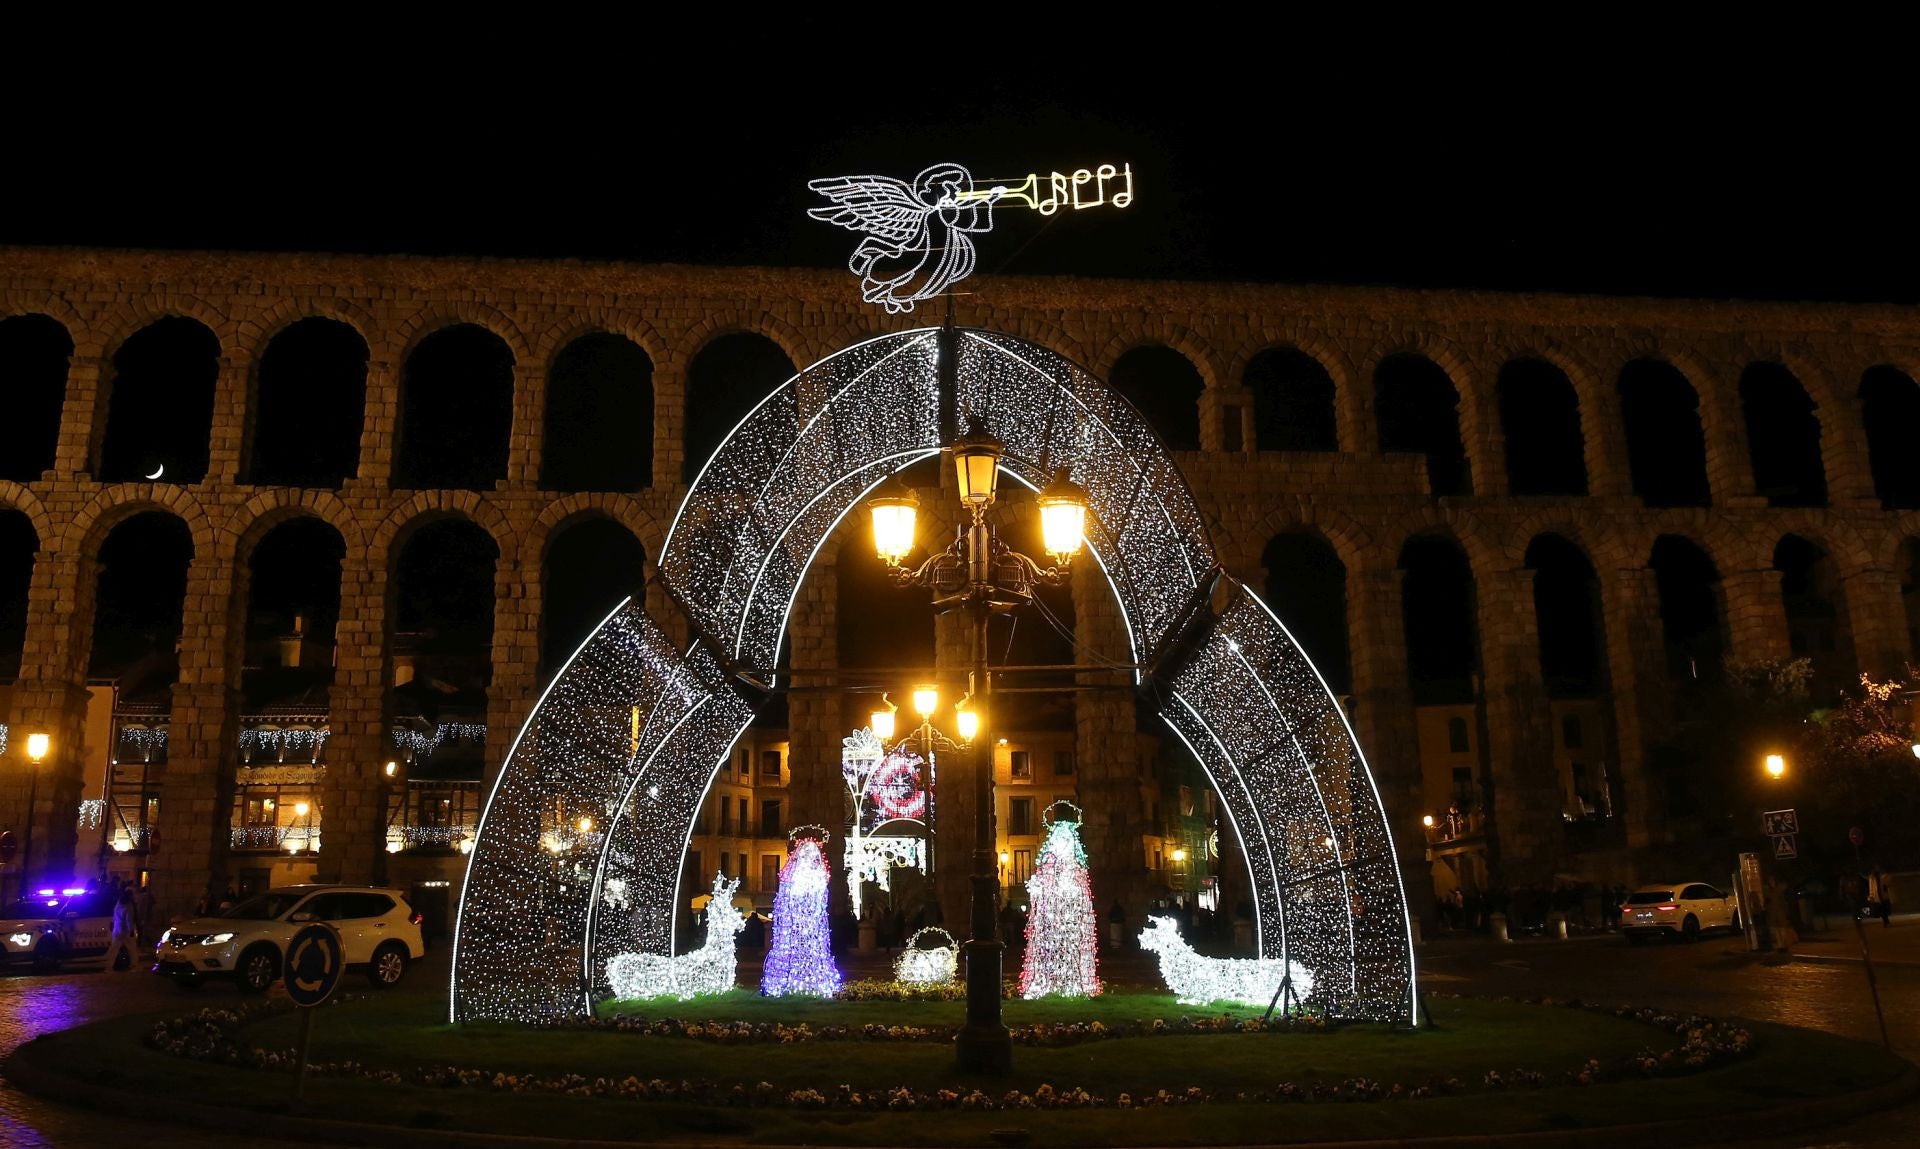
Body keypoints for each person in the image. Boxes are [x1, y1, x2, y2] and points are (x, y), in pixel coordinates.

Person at [105, 887, 139, 972]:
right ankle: (134, 965)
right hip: (125, 931)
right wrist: (131, 930)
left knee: (114, 949)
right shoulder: (128, 905)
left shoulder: (118, 903)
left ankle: (109, 967)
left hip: (117, 929)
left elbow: (114, 916)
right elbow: (129, 919)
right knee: (132, 949)